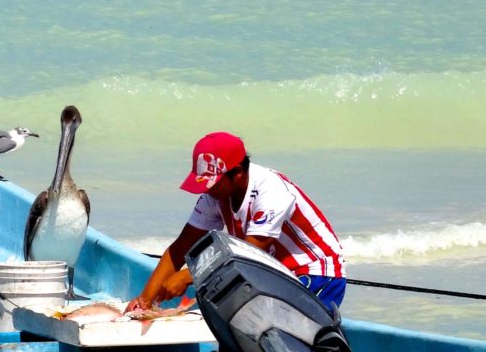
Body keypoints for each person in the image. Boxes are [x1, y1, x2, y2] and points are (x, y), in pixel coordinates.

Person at [127, 131, 346, 313]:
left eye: (213, 183)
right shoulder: (214, 195)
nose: (207, 190)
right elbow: (180, 248)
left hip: (315, 273)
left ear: (238, 173)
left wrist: (186, 276)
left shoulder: (272, 192)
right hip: (270, 272)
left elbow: (247, 254)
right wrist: (145, 300)